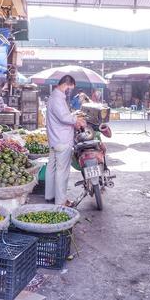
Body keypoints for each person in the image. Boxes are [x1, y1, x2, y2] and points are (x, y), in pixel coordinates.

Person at [46, 75, 87, 206]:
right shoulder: (57, 98)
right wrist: (77, 120)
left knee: (52, 168)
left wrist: (73, 118)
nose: (70, 91)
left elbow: (62, 116)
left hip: (54, 139)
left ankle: (50, 195)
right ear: (66, 84)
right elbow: (64, 117)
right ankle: (61, 201)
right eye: (70, 88)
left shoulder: (54, 96)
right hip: (61, 140)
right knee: (62, 172)